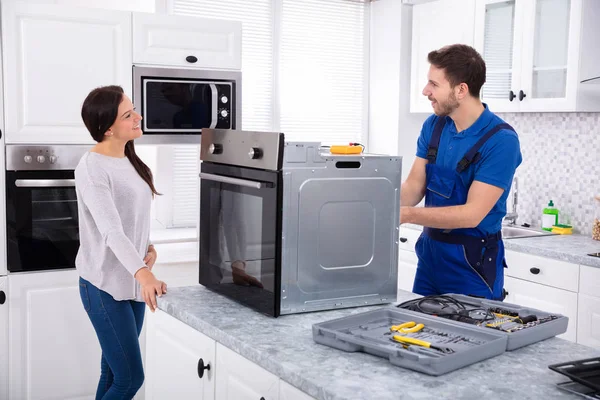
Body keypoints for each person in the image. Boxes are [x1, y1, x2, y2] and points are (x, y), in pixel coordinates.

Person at [400, 44, 522, 300]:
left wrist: (407, 215)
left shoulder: (501, 141)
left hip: (472, 266)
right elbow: (414, 186)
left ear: (461, 90)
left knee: (471, 338)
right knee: (416, 335)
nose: (426, 91)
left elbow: (472, 214)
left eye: (434, 84)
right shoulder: (434, 125)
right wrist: (377, 206)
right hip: (430, 257)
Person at [76, 85, 167, 399]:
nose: (138, 117)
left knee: (114, 373)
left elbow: (133, 215)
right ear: (108, 127)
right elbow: (111, 231)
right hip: (103, 287)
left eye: (134, 110)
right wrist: (144, 274)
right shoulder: (91, 168)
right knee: (130, 379)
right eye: (128, 115)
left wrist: (149, 248)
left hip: (130, 282)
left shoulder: (128, 158)